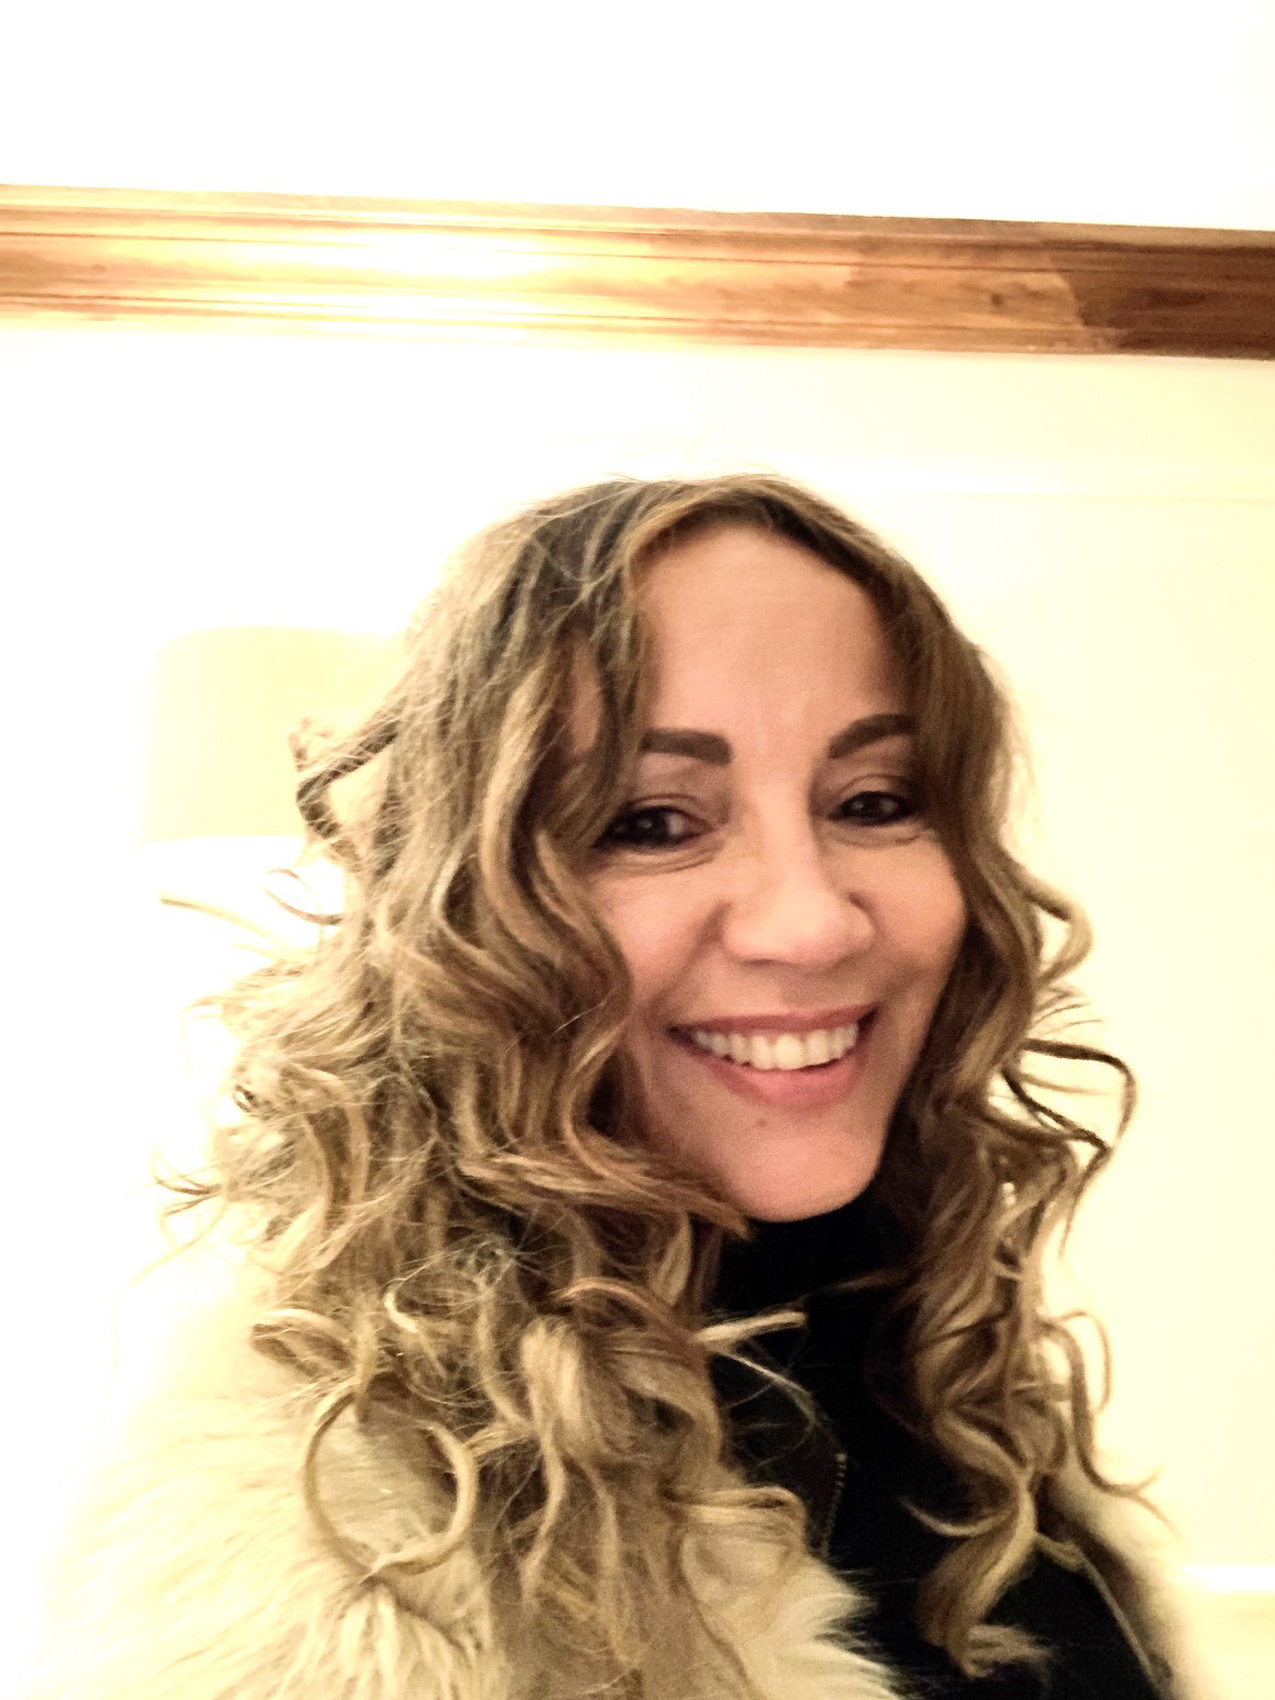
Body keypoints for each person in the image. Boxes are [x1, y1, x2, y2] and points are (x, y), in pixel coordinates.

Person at [24, 474, 1199, 1700]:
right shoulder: (290, 1538)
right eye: (650, 821)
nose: (811, 922)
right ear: (463, 912)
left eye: (874, 802)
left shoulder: (945, 1372)